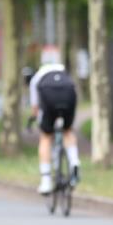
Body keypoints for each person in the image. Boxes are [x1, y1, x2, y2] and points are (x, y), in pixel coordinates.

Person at [29, 62, 80, 194]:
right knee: (68, 131)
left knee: (46, 137)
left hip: (48, 93)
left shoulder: (37, 78)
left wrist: (34, 118)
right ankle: (74, 161)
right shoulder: (64, 72)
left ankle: (46, 181)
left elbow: (35, 106)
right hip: (68, 92)